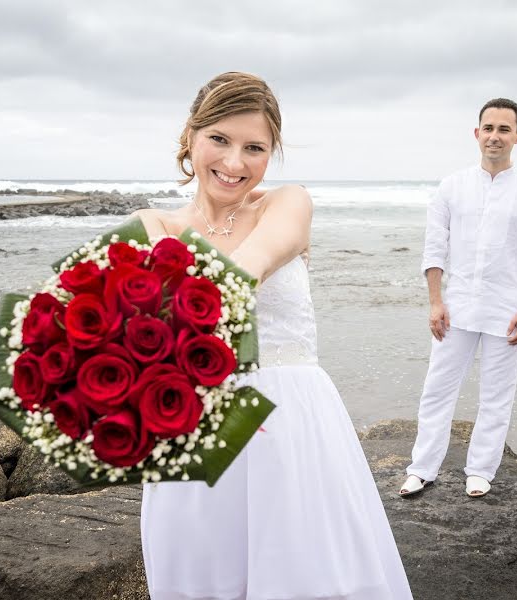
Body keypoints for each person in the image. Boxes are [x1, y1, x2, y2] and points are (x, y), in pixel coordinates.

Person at [136, 72, 413, 600]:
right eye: (219, 139)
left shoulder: (288, 203)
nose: (234, 162)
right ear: (190, 136)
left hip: (291, 422)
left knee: (308, 575)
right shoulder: (152, 224)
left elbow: (252, 266)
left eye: (254, 147)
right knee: (203, 575)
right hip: (195, 427)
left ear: (272, 152)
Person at [399, 98, 517, 499]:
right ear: (477, 133)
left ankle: (481, 469)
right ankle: (422, 468)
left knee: (497, 396)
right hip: (457, 307)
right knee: (437, 389)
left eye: (504, 129)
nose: (495, 136)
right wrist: (435, 301)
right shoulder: (452, 186)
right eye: (489, 128)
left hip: (507, 309)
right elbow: (435, 247)